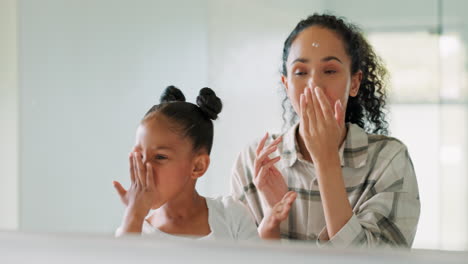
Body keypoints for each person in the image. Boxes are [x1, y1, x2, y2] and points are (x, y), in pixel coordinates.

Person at [230, 13, 420, 248]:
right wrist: (272, 217)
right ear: (286, 85)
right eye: (300, 72)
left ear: (355, 82)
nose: (314, 85)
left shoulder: (388, 159)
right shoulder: (255, 161)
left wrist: (327, 160)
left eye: (330, 71)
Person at [113, 85, 295, 240]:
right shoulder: (136, 233)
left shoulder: (231, 215)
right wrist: (134, 214)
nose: (145, 168)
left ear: (198, 166)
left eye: (160, 157)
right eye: (139, 156)